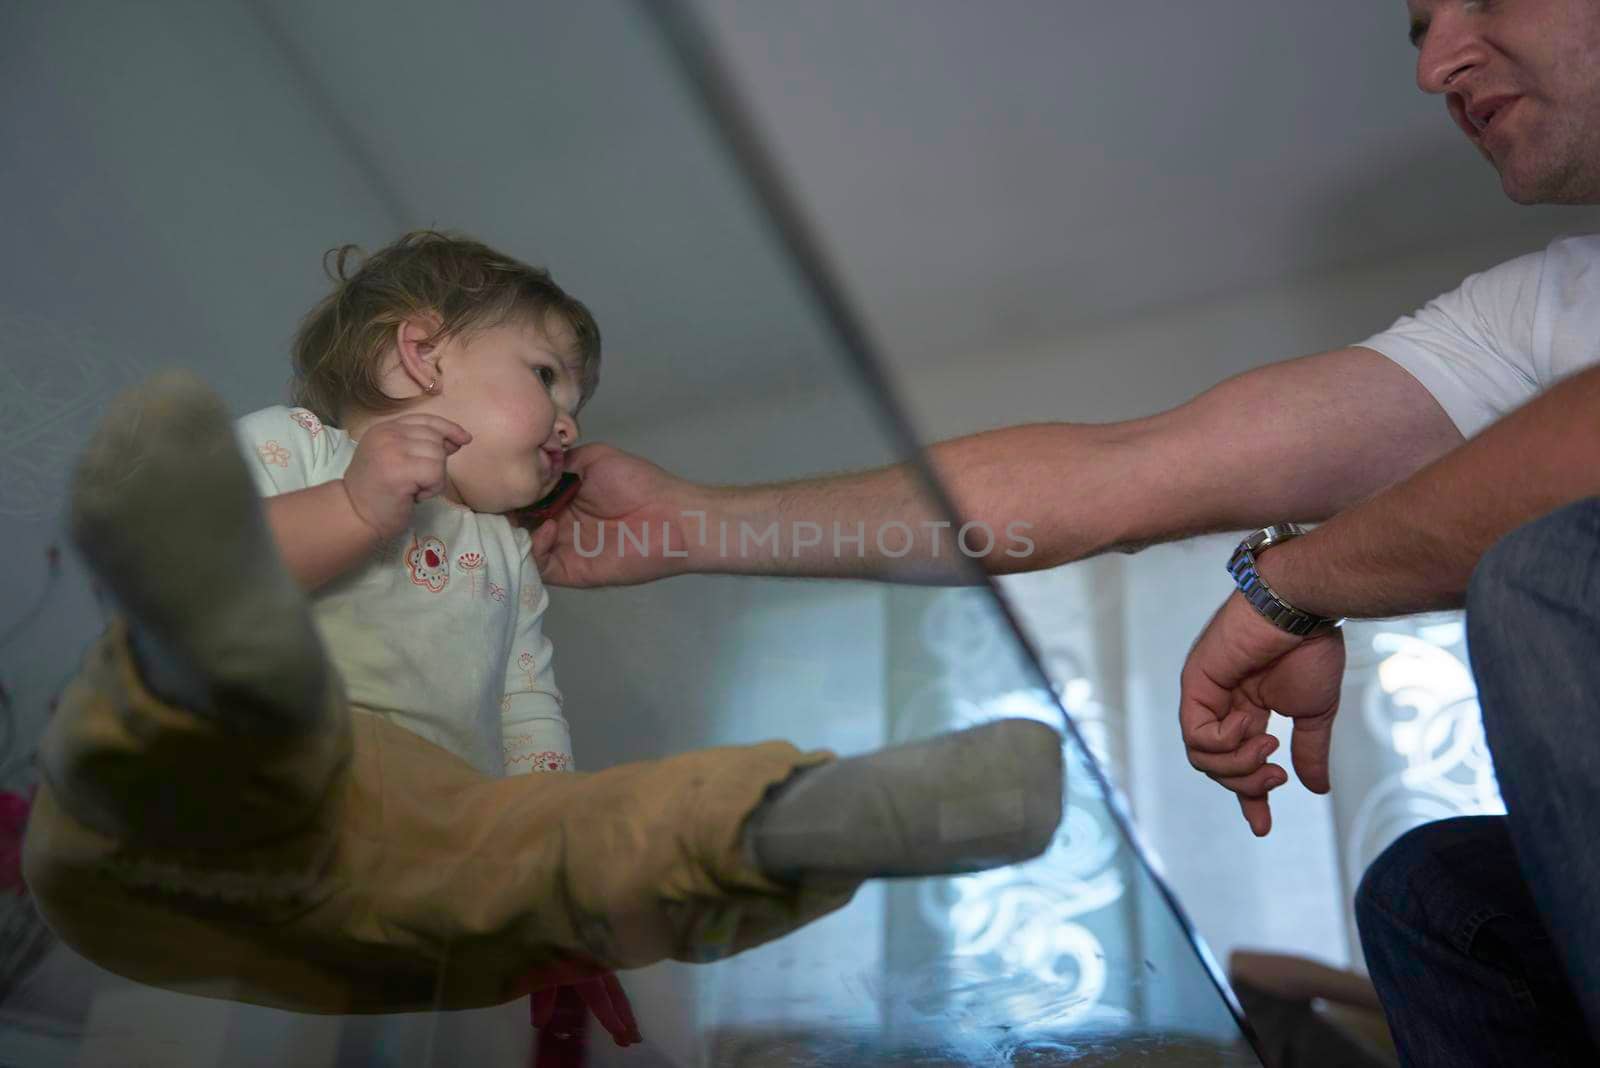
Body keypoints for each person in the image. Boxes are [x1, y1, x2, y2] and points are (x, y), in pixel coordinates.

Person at [527, 2, 1600, 1062]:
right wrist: (696, 525)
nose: (1435, 64)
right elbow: (1119, 477)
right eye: (1416, 29)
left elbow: (1576, 452)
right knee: (1435, 895)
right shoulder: (1536, 314)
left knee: (1544, 571)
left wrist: (1292, 582)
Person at [21, 232, 1064, 1042]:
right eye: (547, 376)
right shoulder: (296, 446)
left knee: (518, 852)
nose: (568, 419)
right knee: (183, 619)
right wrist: (353, 505)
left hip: (366, 846)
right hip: (207, 789)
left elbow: (527, 700)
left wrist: (538, 799)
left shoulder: (504, 555)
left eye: (579, 399)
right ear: (418, 354)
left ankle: (785, 823)